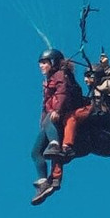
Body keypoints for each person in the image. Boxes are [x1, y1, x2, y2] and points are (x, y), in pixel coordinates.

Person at [30, 48, 82, 206]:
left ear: (52, 63)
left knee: (48, 120)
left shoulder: (60, 75)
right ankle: (43, 181)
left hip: (59, 115)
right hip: (48, 121)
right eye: (40, 63)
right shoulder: (48, 80)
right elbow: (45, 104)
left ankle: (54, 144)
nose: (41, 66)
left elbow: (62, 93)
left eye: (44, 63)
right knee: (35, 152)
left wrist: (58, 110)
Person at [61, 52, 110, 160]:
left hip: (107, 121)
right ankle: (65, 153)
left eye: (88, 76)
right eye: (85, 77)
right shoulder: (93, 95)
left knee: (73, 117)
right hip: (99, 126)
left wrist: (106, 67)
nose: (85, 80)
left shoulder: (109, 89)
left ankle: (67, 146)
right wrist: (68, 73)